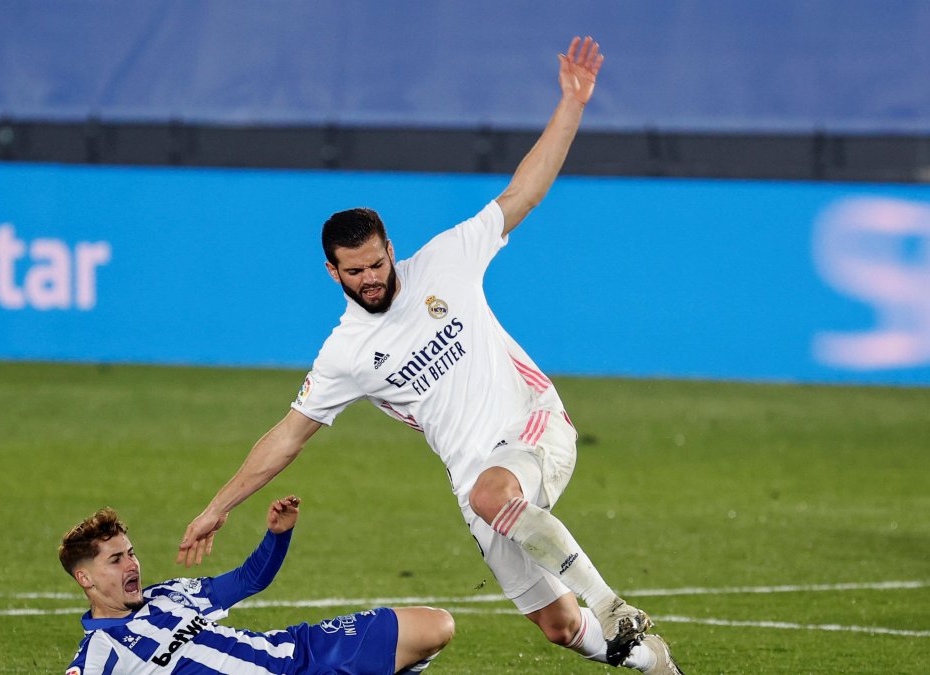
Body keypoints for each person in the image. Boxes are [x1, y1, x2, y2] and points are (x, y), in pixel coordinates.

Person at [177, 37, 682, 674]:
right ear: (332, 272)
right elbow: (286, 437)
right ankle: (655, 662)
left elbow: (524, 192)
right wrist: (216, 508)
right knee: (556, 625)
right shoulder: (346, 353)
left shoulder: (447, 261)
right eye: (355, 271)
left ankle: (613, 605)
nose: (371, 278)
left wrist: (572, 105)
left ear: (392, 248)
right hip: (477, 484)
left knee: (492, 493)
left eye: (378, 262)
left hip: (532, 427)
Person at [61, 496, 454, 674]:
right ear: (86, 578)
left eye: (130, 553)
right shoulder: (99, 652)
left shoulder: (171, 595)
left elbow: (249, 579)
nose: (131, 564)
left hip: (299, 653)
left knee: (436, 626)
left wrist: (278, 536)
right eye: (116, 560)